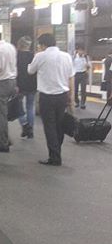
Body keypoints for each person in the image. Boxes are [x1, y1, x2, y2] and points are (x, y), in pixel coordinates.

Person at [27, 33, 75, 166]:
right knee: (59, 125)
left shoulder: (40, 56)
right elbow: (71, 77)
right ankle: (57, 151)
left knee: (50, 127)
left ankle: (54, 157)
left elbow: (30, 70)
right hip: (62, 96)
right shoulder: (66, 56)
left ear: (42, 45)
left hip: (47, 97)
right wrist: (71, 96)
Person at [0, 29, 17, 152]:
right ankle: (7, 138)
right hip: (12, 81)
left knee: (0, 114)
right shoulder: (10, 46)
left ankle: (4, 143)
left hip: (1, 83)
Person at [16, 36, 37, 138]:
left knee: (18, 106)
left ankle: (25, 125)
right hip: (32, 84)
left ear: (19, 45)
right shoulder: (34, 56)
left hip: (19, 85)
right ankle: (30, 130)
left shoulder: (16, 56)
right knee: (30, 107)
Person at [72, 45, 90, 109]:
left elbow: (89, 66)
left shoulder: (85, 57)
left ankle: (83, 103)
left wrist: (87, 67)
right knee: (75, 90)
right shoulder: (74, 57)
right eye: (79, 50)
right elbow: (70, 65)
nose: (81, 51)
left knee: (83, 90)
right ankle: (77, 102)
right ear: (77, 50)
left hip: (83, 74)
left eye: (82, 50)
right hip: (76, 74)